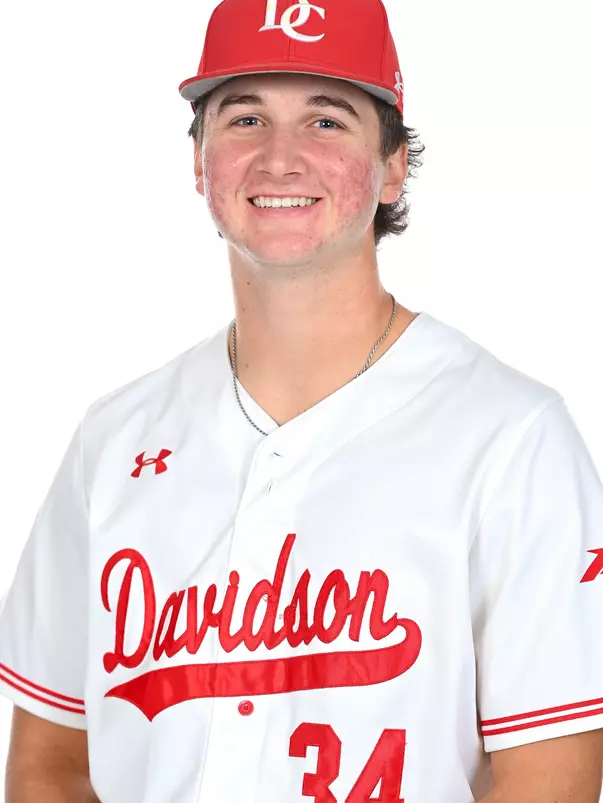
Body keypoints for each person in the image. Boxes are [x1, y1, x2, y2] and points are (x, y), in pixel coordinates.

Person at [2, 0, 603, 800]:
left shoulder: (510, 436)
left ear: (393, 165)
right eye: (244, 118)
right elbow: (52, 761)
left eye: (327, 122)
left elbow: (550, 776)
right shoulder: (115, 438)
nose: (279, 158)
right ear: (199, 161)